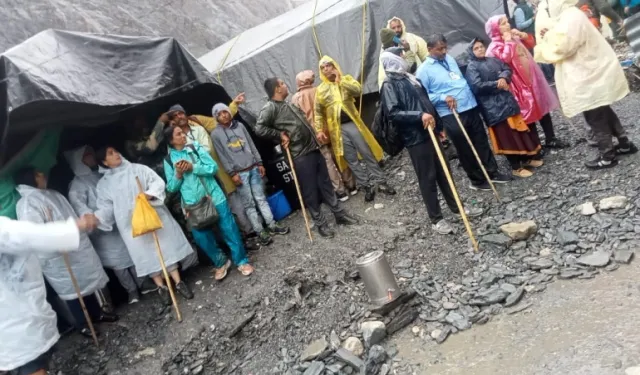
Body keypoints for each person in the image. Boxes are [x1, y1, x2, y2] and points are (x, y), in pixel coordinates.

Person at [379, 49, 484, 234]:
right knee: (427, 177)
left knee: (445, 172)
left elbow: (426, 102)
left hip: (430, 132)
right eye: (402, 55)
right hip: (415, 138)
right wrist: (419, 116)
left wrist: (438, 126)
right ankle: (436, 219)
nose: (405, 58)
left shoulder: (410, 78)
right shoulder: (389, 84)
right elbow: (393, 113)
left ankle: (458, 209)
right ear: (394, 59)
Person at [14, 167, 116, 338]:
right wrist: (56, 238)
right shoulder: (26, 204)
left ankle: (96, 314)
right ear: (30, 178)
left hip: (76, 246)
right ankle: (83, 323)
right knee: (72, 290)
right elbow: (36, 233)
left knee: (85, 283)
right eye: (39, 174)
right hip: (58, 255)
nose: (43, 175)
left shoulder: (52, 193)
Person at [535, 0, 638, 169]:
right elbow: (564, 36)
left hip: (587, 75)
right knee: (603, 109)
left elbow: (563, 47)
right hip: (591, 71)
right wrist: (551, 33)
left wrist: (546, 38)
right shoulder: (570, 15)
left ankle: (607, 156)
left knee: (594, 114)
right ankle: (625, 143)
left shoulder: (570, 17)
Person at [254, 77, 359, 238]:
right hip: (299, 155)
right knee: (311, 192)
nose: (285, 85)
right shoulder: (270, 108)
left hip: (314, 148)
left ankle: (340, 215)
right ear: (277, 89)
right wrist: (279, 134)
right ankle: (321, 224)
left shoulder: (288, 104)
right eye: (282, 83)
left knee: (326, 185)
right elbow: (259, 128)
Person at [93, 147, 195, 305]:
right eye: (111, 154)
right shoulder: (104, 184)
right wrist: (96, 218)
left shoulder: (137, 169)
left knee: (164, 247)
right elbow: (105, 207)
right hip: (130, 224)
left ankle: (178, 281)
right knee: (145, 255)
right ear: (104, 162)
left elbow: (157, 182)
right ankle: (161, 287)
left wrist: (150, 194)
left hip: (152, 215)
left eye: (116, 151)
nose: (117, 154)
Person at [0, 214, 96, 375]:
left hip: (11, 323)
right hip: (14, 323)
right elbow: (28, 235)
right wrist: (76, 226)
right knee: (31, 365)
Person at [416, 34, 510, 191]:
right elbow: (423, 95)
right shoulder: (423, 71)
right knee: (464, 146)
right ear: (430, 49)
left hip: (469, 105)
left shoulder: (449, 59)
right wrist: (442, 97)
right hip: (451, 113)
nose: (444, 51)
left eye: (445, 47)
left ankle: (492, 172)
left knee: (481, 140)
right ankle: (477, 180)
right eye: (440, 49)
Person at [65, 145, 153, 304]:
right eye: (87, 156)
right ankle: (131, 290)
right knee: (118, 263)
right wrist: (94, 218)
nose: (91, 158)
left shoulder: (101, 174)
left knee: (132, 253)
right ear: (79, 161)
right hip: (102, 229)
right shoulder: (77, 184)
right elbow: (79, 206)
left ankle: (144, 283)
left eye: (92, 154)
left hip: (118, 221)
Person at [164, 126, 255, 280]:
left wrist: (193, 167)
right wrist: (178, 174)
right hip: (192, 205)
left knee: (229, 229)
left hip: (214, 196)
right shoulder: (168, 160)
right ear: (171, 141)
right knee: (202, 238)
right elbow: (172, 187)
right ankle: (221, 262)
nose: (183, 135)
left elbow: (212, 168)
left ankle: (241, 261)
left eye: (182, 132)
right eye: (178, 134)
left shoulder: (194, 147)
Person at [166, 102, 255, 240]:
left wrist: (194, 154)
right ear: (172, 120)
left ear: (185, 113)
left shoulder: (198, 127)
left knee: (231, 202)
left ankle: (249, 232)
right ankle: (237, 239)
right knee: (210, 215)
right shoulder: (173, 140)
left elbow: (208, 145)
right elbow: (177, 160)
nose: (179, 117)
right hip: (197, 185)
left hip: (214, 172)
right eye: (175, 116)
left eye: (181, 113)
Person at [315, 56, 395, 202]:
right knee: (351, 159)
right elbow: (318, 112)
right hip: (337, 130)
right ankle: (366, 186)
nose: (326, 69)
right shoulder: (320, 90)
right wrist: (319, 129)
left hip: (352, 124)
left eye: (328, 65)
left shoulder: (346, 79)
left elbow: (357, 90)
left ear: (335, 66)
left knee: (366, 153)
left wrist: (341, 80)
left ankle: (381, 182)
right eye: (323, 67)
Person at [211, 103, 290, 245]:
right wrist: (232, 173)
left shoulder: (240, 126)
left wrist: (259, 162)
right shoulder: (216, 134)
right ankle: (260, 231)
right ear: (216, 117)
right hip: (239, 173)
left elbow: (251, 144)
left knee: (261, 198)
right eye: (220, 114)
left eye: (225, 112)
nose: (224, 115)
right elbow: (222, 156)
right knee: (249, 204)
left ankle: (271, 225)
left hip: (253, 167)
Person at [485, 15, 566, 150]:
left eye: (507, 22)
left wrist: (522, 35)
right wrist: (508, 41)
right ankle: (535, 146)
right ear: (495, 29)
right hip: (517, 84)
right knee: (527, 112)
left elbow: (531, 44)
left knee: (542, 106)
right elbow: (505, 59)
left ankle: (550, 138)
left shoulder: (512, 37)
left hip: (531, 78)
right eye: (503, 24)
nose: (508, 25)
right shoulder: (494, 47)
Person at [466, 38, 543, 178]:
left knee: (518, 131)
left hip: (507, 101)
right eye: (476, 48)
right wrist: (496, 83)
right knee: (507, 136)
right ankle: (516, 167)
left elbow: (506, 68)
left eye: (481, 46)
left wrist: (503, 78)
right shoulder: (472, 67)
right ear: (471, 52)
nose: (480, 49)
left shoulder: (493, 60)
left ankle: (527, 159)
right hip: (493, 108)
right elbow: (476, 86)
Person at [291, 70, 356, 201]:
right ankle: (351, 185)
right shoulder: (320, 90)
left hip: (316, 135)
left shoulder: (296, 98)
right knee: (340, 157)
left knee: (328, 162)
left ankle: (340, 191)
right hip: (331, 128)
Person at [377, 17, 429, 88]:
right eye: (393, 28)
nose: (397, 30)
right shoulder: (386, 52)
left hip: (420, 78)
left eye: (398, 26)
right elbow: (410, 68)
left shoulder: (412, 38)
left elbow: (427, 56)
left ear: (402, 26)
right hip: (403, 84)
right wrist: (382, 87)